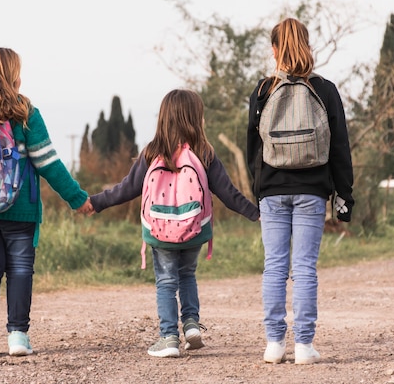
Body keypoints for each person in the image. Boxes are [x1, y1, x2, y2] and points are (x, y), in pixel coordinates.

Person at [0, 47, 93, 358]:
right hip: (18, 206)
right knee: (20, 269)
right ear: (12, 75)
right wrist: (77, 199)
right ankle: (18, 337)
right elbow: (48, 162)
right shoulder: (24, 112)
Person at [85, 89, 260, 358]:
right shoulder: (204, 152)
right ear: (195, 117)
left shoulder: (152, 152)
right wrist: (256, 213)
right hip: (194, 228)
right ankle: (191, 325)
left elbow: (127, 188)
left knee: (166, 281)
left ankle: (168, 337)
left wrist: (96, 202)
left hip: (160, 230)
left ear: (164, 117)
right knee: (187, 274)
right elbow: (228, 192)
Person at [246, 18, 354, 365]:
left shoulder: (263, 90)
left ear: (275, 49)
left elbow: (253, 148)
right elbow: (339, 149)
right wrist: (344, 196)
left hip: (273, 191)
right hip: (312, 189)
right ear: (307, 45)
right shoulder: (324, 90)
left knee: (275, 267)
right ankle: (305, 346)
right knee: (305, 267)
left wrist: (258, 190)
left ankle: (275, 344)